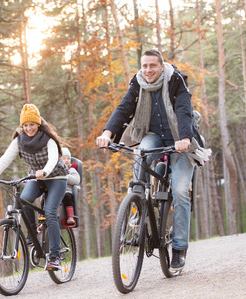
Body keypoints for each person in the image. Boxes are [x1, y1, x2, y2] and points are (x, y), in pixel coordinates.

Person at [96, 49, 210, 272]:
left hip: (180, 140)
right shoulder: (138, 82)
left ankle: (179, 248)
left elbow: (184, 109)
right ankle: (138, 202)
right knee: (142, 152)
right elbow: (124, 107)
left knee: (179, 192)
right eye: (144, 66)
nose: (148, 70)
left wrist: (185, 137)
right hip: (154, 135)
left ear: (161, 65)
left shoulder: (176, 80)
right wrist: (108, 133)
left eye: (152, 66)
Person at [0, 103, 68, 271]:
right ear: (22, 126)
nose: (29, 128)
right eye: (26, 125)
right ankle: (33, 231)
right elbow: (5, 159)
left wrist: (45, 171)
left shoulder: (48, 139)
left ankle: (55, 256)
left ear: (38, 124)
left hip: (56, 177)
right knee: (24, 199)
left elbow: (52, 159)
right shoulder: (19, 141)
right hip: (36, 178)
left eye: (32, 124)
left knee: (50, 213)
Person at [61, 147, 80, 227]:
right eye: (64, 158)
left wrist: (66, 176)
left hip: (67, 191)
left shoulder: (71, 170)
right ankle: (42, 218)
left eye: (68, 158)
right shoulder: (55, 170)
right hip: (55, 191)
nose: (66, 160)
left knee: (68, 197)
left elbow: (76, 180)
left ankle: (70, 217)